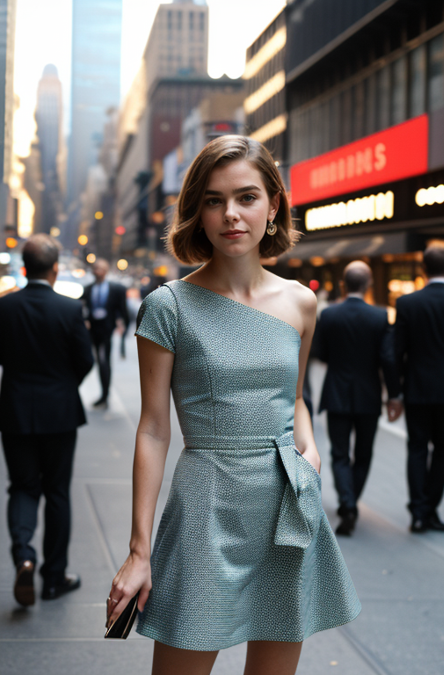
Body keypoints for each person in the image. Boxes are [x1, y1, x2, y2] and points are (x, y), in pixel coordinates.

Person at [106, 136, 360, 675]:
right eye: (214, 200)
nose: (231, 215)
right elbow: (153, 429)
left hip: (285, 506)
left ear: (273, 206)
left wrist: (309, 447)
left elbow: (294, 398)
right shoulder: (167, 307)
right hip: (205, 509)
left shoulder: (301, 302)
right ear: (197, 212)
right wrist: (138, 548)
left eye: (246, 197)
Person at [0, 234, 93, 606]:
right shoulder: (69, 310)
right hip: (59, 414)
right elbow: (85, 360)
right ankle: (54, 577)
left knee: (22, 487)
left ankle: (24, 555)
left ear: (25, 268)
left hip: (15, 411)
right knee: (56, 492)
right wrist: (62, 385)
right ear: (55, 269)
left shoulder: (4, 308)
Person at [315, 261, 401, 536]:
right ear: (368, 285)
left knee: (339, 453)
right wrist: (394, 394)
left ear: (343, 284)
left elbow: (320, 352)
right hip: (368, 394)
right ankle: (351, 503)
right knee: (363, 454)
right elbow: (387, 358)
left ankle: (347, 503)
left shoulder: (328, 315)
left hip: (337, 392)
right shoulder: (380, 317)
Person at [394, 245, 444, 534]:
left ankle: (418, 512)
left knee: (417, 448)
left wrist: (395, 391)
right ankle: (430, 510)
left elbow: (395, 352)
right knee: (443, 450)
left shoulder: (407, 304)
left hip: (417, 389)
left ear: (424, 270)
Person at [82, 258, 129, 407]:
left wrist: (123, 327)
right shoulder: (88, 289)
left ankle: (105, 395)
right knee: (90, 359)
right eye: (95, 269)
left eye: (101, 269)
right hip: (92, 330)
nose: (98, 272)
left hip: (107, 329)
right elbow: (81, 307)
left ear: (106, 271)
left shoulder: (117, 289)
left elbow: (123, 310)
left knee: (104, 361)